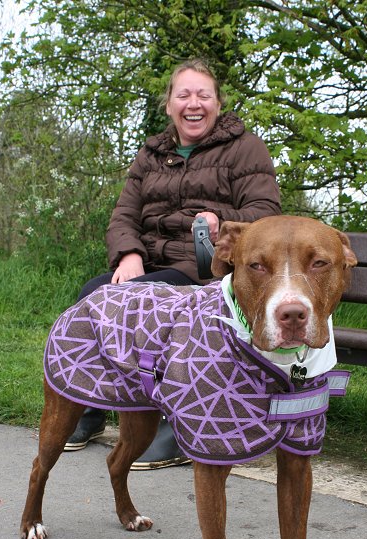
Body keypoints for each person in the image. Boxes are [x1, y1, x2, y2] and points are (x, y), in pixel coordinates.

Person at [64, 58, 282, 468]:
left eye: (203, 94)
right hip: (149, 263)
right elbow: (124, 215)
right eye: (184, 95)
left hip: (206, 267)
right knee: (91, 295)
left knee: (146, 301)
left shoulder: (245, 148)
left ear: (218, 103)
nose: (193, 103)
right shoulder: (151, 153)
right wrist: (129, 254)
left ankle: (179, 428)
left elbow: (266, 211)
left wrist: (225, 227)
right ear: (169, 105)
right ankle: (88, 409)